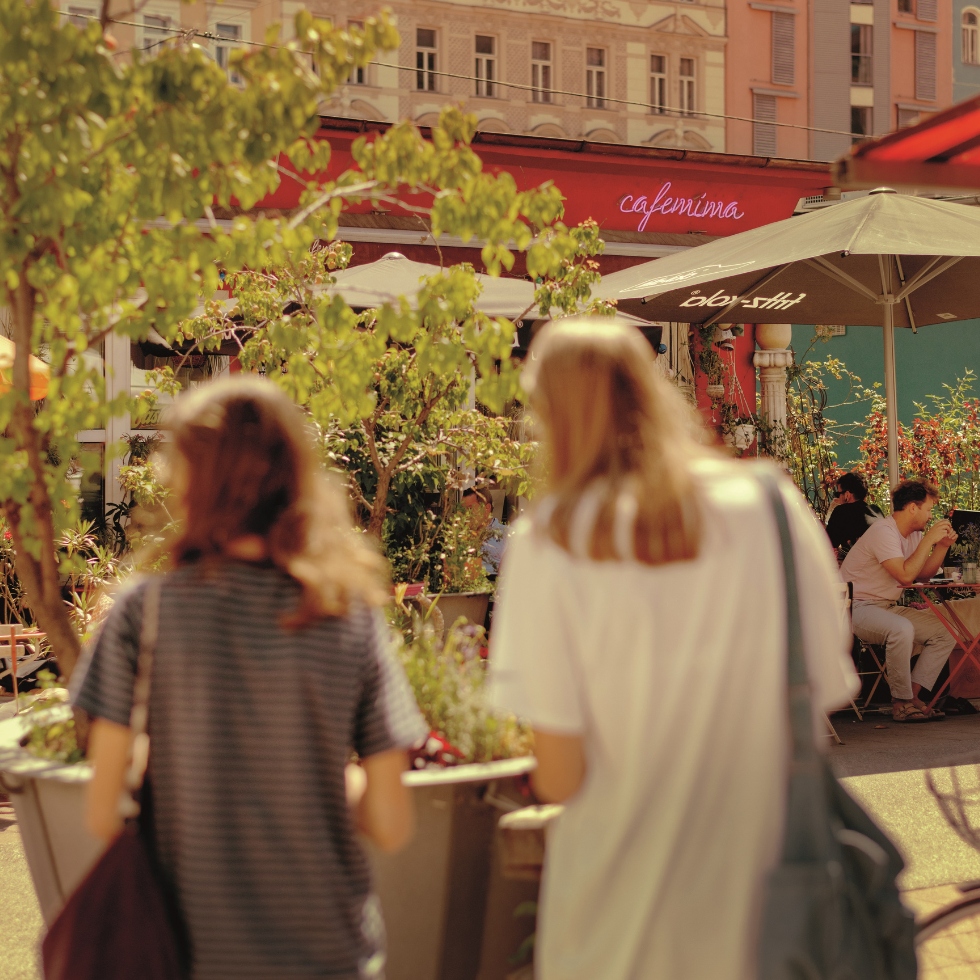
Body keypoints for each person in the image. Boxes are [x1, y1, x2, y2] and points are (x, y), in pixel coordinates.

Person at [487, 316, 857, 980]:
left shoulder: (549, 538)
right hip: (770, 898)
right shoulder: (771, 506)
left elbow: (561, 773)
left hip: (616, 914)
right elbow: (824, 694)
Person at [70, 377, 426, 980]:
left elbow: (103, 813)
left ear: (190, 483)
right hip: (333, 958)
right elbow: (391, 825)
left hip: (192, 957)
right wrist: (319, 779)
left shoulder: (142, 615)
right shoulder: (351, 620)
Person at [841, 477, 958, 722]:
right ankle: (900, 702)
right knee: (901, 629)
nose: (930, 516)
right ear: (913, 508)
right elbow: (906, 576)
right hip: (853, 608)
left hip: (886, 607)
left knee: (946, 633)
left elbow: (922, 576)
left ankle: (912, 697)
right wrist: (929, 539)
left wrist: (942, 546)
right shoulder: (883, 531)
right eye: (928, 509)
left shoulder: (913, 534)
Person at [825, 470, 884, 556]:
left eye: (838, 494)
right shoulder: (876, 510)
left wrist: (832, 508)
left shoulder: (842, 512)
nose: (837, 498)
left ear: (847, 495)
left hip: (861, 565)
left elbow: (827, 545)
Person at [461, 486, 507, 575]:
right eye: (464, 509)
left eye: (470, 508)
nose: (466, 514)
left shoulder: (507, 534)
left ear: (487, 508)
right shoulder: (459, 536)